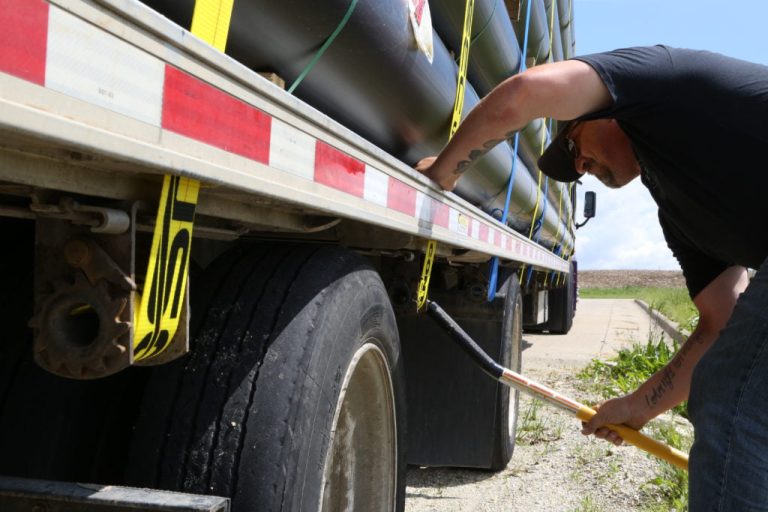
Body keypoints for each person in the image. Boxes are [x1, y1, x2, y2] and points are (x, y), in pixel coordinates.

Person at [416, 45, 768, 510]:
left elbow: (522, 94)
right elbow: (718, 324)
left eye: (572, 146)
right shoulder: (679, 213)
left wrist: (443, 172)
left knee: (733, 402)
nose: (579, 166)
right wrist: (637, 407)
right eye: (574, 168)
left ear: (599, 111)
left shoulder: (653, 79)